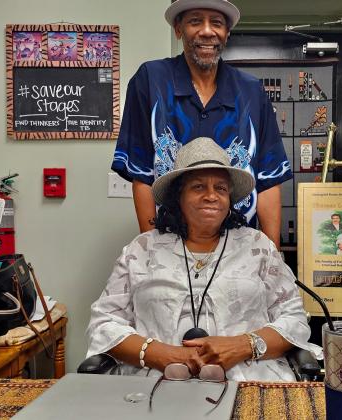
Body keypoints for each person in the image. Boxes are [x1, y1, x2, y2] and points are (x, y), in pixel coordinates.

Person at [88, 138, 319, 382]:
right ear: (179, 196)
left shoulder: (258, 246)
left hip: (248, 378)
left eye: (220, 188)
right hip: (153, 380)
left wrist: (241, 346)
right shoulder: (142, 249)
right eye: (198, 187)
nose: (211, 196)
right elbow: (104, 322)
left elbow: (293, 318)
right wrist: (161, 354)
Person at [111, 0, 291, 249]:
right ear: (178, 29)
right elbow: (141, 174)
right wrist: (153, 254)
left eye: (216, 22)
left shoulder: (251, 92)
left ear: (227, 33)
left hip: (239, 250)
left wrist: (272, 258)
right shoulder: (151, 81)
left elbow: (268, 178)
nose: (207, 31)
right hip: (171, 242)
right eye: (195, 21)